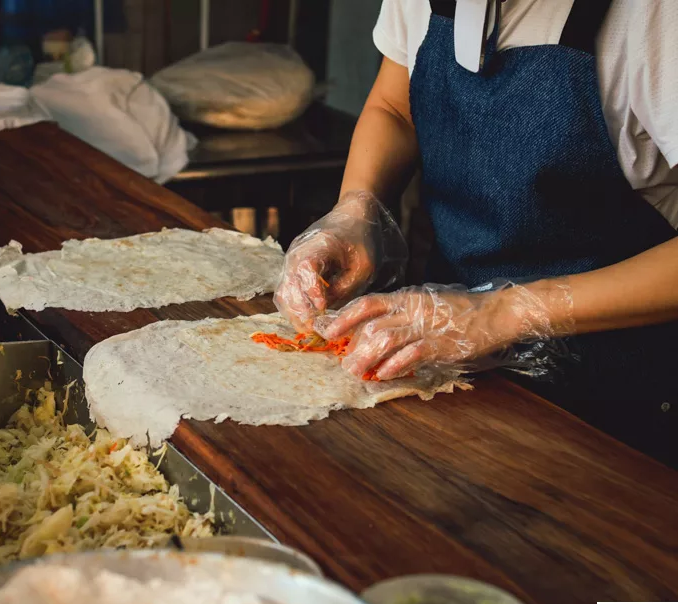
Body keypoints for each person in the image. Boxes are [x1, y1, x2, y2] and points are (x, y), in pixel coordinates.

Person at [274, 0, 678, 461]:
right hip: (445, 372)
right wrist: (356, 210)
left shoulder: (658, 18)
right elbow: (394, 107)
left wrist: (501, 314)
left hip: (618, 406)